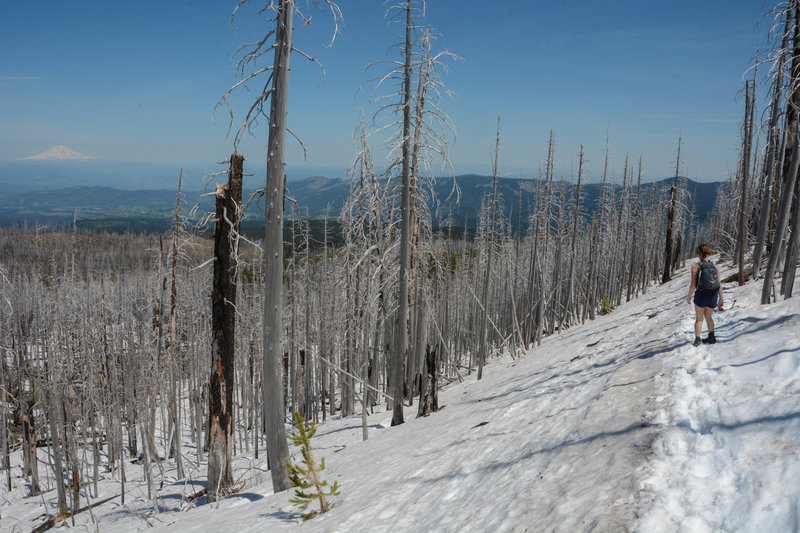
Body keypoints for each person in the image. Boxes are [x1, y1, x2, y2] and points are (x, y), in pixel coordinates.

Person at [687, 244, 724, 346]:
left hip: (701, 295)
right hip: (713, 296)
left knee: (699, 318)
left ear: (698, 253)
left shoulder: (695, 267)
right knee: (709, 317)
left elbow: (693, 284)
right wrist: (721, 298)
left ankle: (698, 339)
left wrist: (689, 296)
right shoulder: (714, 266)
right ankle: (712, 337)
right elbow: (719, 283)